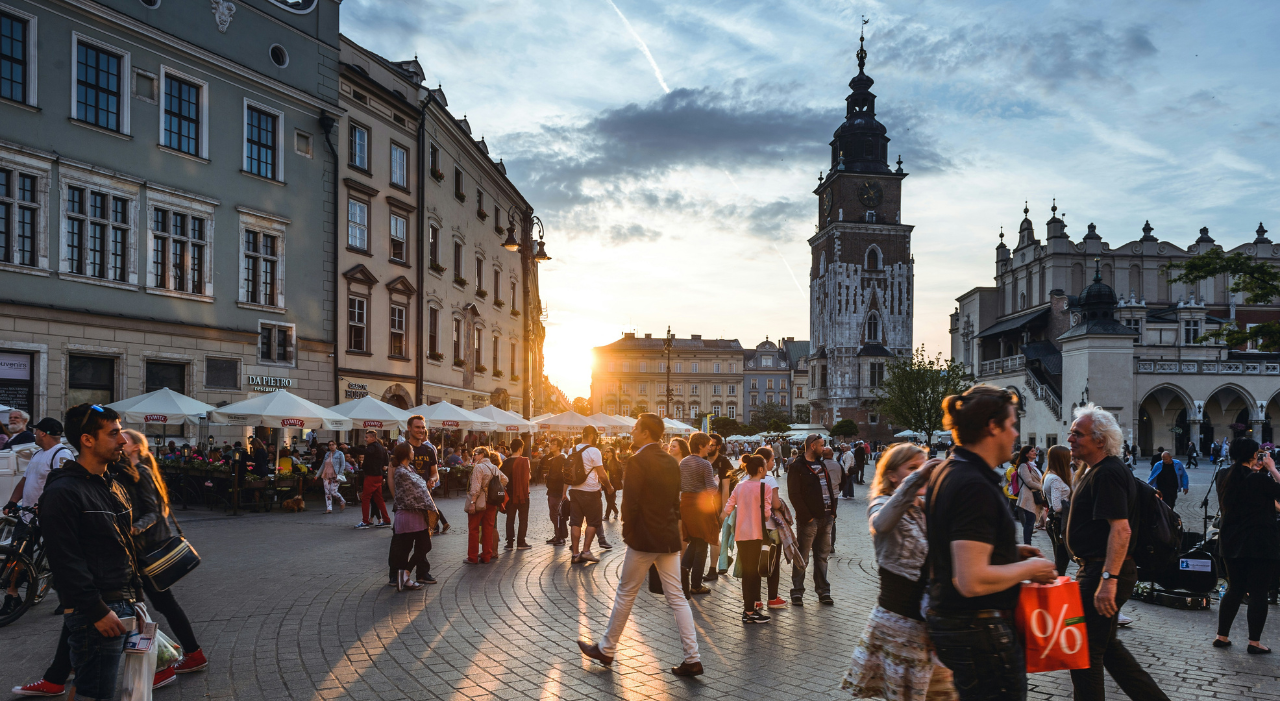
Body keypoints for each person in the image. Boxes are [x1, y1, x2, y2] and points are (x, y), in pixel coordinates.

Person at [924, 385, 1057, 701]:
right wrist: (1030, 567)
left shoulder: (949, 470)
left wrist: (1008, 552)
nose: (1015, 433)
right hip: (979, 632)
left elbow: (953, 548)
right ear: (992, 426)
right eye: (1011, 424)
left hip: (957, 626)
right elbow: (971, 579)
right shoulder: (974, 485)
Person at [577, 413, 702, 677]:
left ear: (646, 433)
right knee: (677, 597)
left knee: (626, 592)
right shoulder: (670, 461)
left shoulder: (636, 461)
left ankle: (607, 649)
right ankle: (693, 658)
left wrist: (628, 532)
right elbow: (674, 502)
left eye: (635, 428)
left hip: (644, 538)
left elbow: (630, 503)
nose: (632, 431)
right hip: (667, 537)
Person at [1066, 404, 1170, 700]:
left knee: (1084, 654)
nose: (1070, 439)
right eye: (1071, 433)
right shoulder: (1094, 470)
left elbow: (1120, 529)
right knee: (1108, 649)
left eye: (1078, 434)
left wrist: (1107, 580)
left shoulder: (1108, 472)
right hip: (1097, 569)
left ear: (1100, 440)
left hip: (1103, 571)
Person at [37, 404, 141, 701]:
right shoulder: (64, 491)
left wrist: (137, 601)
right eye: (114, 433)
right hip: (96, 612)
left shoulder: (110, 484)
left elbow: (124, 547)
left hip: (119, 605)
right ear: (87, 440)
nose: (123, 440)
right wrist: (97, 611)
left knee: (88, 690)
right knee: (95, 693)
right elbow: (64, 561)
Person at [843, 443, 956, 700]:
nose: (922, 473)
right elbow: (881, 524)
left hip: (930, 624)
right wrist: (916, 480)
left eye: (923, 466)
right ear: (893, 475)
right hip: (900, 623)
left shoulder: (925, 506)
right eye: (912, 468)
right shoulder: (882, 502)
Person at [117, 429, 208, 685]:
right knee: (155, 604)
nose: (120, 442)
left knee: (150, 605)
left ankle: (168, 662)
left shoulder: (142, 473)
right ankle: (189, 655)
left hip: (145, 550)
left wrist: (133, 527)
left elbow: (155, 511)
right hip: (137, 550)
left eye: (125, 439)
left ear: (136, 447)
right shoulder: (125, 471)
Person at [1213, 437, 1280, 653]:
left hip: (1230, 541)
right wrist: (1272, 468)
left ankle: (1221, 636)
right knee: (1258, 593)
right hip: (1259, 543)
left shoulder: (1222, 476)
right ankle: (1254, 642)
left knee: (1235, 588)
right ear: (1254, 455)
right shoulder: (1259, 479)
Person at [2, 418, 73, 620]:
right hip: (28, 515)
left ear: (43, 433)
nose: (33, 434)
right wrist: (12, 502)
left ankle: (68, 598)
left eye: (36, 431)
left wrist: (44, 504)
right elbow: (25, 480)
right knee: (17, 555)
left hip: (52, 516)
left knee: (59, 559)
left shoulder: (62, 454)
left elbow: (65, 486)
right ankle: (12, 596)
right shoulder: (37, 454)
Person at [720, 454, 784, 624]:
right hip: (757, 534)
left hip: (741, 535)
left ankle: (750, 609)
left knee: (748, 572)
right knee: (753, 572)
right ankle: (749, 611)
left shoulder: (739, 487)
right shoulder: (765, 488)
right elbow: (766, 515)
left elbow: (728, 507)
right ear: (761, 469)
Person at [787, 433, 839, 606]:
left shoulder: (822, 464)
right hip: (809, 520)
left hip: (826, 518)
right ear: (812, 446)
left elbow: (828, 489)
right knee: (802, 557)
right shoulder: (798, 466)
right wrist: (807, 517)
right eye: (821, 445)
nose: (824, 448)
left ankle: (823, 591)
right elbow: (794, 494)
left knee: (822, 557)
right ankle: (797, 592)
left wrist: (832, 512)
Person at [387, 442, 434, 589]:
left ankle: (406, 573)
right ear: (407, 453)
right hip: (408, 514)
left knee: (425, 545)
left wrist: (427, 486)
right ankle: (403, 578)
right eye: (412, 450)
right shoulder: (401, 471)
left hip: (417, 514)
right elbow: (417, 491)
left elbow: (420, 488)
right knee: (404, 548)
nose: (414, 452)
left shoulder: (410, 468)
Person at [679, 432, 719, 598]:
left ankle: (683, 576)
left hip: (686, 503)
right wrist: (716, 482)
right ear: (700, 446)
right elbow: (711, 490)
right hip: (700, 505)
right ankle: (695, 585)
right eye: (708, 444)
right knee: (702, 542)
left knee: (694, 541)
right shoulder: (705, 464)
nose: (710, 447)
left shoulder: (683, 462)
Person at [567, 426, 612, 564]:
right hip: (591, 491)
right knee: (593, 521)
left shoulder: (572, 450)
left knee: (575, 522)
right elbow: (602, 474)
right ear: (592, 436)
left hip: (574, 490)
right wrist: (609, 487)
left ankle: (575, 555)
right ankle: (586, 551)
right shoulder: (594, 451)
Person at [465, 448, 507, 564]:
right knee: (488, 528)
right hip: (492, 502)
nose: (474, 457)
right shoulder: (494, 467)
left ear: (482, 455)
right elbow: (505, 480)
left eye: (475, 454)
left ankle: (472, 557)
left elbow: (475, 487)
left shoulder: (479, 467)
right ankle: (486, 556)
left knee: (474, 529)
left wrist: (473, 502)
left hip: (479, 501)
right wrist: (492, 489)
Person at [1041, 445, 1074, 575]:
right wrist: (1070, 504)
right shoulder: (1055, 479)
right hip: (1059, 522)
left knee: (1060, 558)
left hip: (1055, 521)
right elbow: (1057, 506)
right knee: (1062, 560)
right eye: (1068, 457)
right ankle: (1057, 586)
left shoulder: (1050, 474)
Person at [356, 430, 391, 529]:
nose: (365, 439)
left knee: (366, 498)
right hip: (378, 475)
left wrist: (351, 449)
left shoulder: (373, 447)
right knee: (379, 499)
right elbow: (385, 463)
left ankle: (365, 521)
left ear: (373, 438)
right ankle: (386, 520)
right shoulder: (382, 448)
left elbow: (366, 452)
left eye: (367, 437)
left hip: (371, 475)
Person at [502, 438, 532, 550]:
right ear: (520, 448)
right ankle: (521, 542)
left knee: (510, 518)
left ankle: (509, 543)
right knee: (523, 519)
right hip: (523, 495)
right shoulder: (525, 461)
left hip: (510, 495)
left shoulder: (505, 462)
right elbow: (528, 477)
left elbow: (502, 479)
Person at [1014, 446, 1043, 545]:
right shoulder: (1023, 466)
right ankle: (1027, 544)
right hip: (1028, 496)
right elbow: (1029, 482)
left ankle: (1028, 543)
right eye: (1032, 451)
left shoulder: (1032, 465)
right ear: (1026, 454)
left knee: (1031, 521)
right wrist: (1042, 487)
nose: (1035, 452)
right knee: (1029, 522)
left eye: (1035, 450)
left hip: (1033, 495)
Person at [544, 438, 568, 546]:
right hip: (554, 489)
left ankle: (560, 537)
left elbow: (558, 476)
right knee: (554, 513)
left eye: (553, 444)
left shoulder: (559, 459)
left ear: (558, 447)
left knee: (555, 513)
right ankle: (558, 535)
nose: (551, 446)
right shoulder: (557, 458)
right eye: (551, 444)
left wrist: (547, 477)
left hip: (556, 489)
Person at [318, 440, 347, 513]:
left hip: (335, 474)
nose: (331, 446)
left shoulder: (340, 454)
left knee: (333, 491)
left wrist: (340, 473)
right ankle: (329, 508)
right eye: (330, 445)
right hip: (326, 474)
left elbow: (343, 464)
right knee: (327, 492)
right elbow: (323, 465)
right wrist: (317, 474)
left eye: (332, 444)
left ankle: (342, 501)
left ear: (336, 445)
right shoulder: (327, 454)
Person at [603, 447, 623, 520]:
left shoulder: (616, 463)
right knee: (608, 500)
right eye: (605, 451)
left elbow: (620, 474)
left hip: (613, 483)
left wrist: (616, 483)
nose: (606, 453)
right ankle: (616, 511)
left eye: (608, 451)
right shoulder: (604, 462)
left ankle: (607, 515)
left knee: (611, 500)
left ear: (612, 453)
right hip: (605, 483)